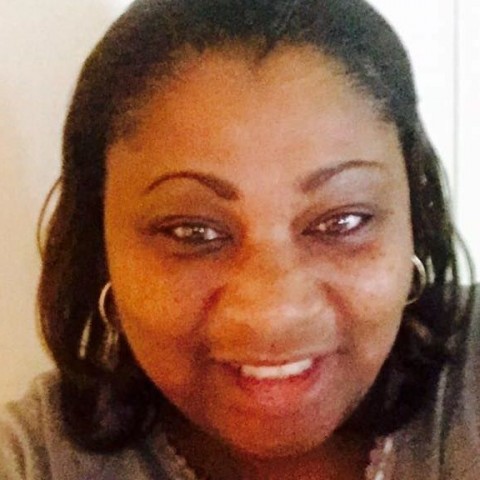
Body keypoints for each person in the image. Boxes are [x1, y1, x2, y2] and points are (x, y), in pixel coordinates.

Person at [0, 0, 478, 478]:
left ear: (412, 219)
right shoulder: (35, 460)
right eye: (192, 232)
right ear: (101, 245)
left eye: (342, 221)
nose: (274, 313)